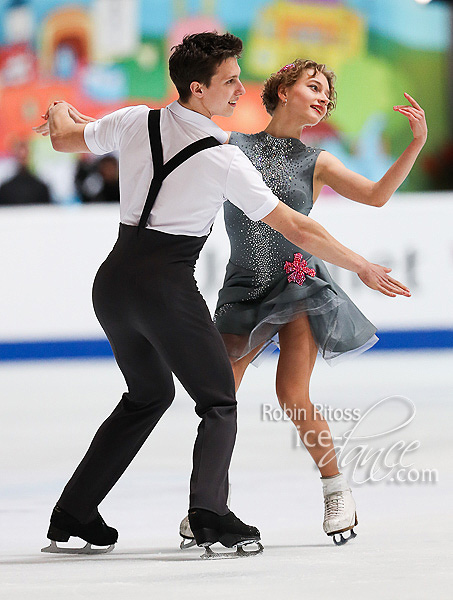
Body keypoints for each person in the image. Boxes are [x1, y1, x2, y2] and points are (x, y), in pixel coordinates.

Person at [34, 37, 410, 556]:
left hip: (114, 283)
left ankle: (74, 512)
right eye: (230, 81)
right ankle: (210, 515)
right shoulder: (224, 158)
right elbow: (299, 228)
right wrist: (362, 266)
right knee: (218, 399)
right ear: (198, 88)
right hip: (165, 285)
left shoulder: (133, 119)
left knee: (149, 395)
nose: (240, 89)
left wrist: (57, 107)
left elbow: (64, 138)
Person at [182, 59, 426, 546]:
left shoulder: (319, 162)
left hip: (298, 286)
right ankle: (208, 504)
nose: (322, 97)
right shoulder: (232, 146)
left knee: (292, 395)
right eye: (313, 86)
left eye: (327, 94)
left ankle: (336, 489)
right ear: (282, 90)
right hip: (242, 288)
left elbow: (378, 196)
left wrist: (416, 143)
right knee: (218, 397)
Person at [0, 139, 51, 206]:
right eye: (19, 155)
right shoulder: (5, 189)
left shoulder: (41, 188)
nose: (22, 157)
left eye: (24, 155)